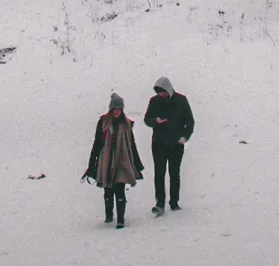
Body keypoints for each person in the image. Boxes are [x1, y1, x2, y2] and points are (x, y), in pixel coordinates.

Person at [83, 93, 144, 228]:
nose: (117, 111)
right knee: (108, 189)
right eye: (115, 109)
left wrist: (137, 163)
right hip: (106, 160)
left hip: (122, 160)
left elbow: (131, 144)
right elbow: (97, 143)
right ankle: (109, 215)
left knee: (120, 189)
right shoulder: (103, 123)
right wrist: (91, 163)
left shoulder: (127, 124)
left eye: (119, 109)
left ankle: (121, 219)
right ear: (111, 110)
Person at [144, 76, 195, 216]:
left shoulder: (181, 100)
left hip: (176, 144)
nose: (162, 95)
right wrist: (156, 121)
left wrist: (184, 137)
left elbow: (189, 121)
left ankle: (174, 202)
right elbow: (147, 119)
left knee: (174, 173)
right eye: (159, 92)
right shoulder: (154, 102)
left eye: (163, 92)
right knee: (159, 174)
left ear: (169, 89)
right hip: (158, 144)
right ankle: (160, 203)